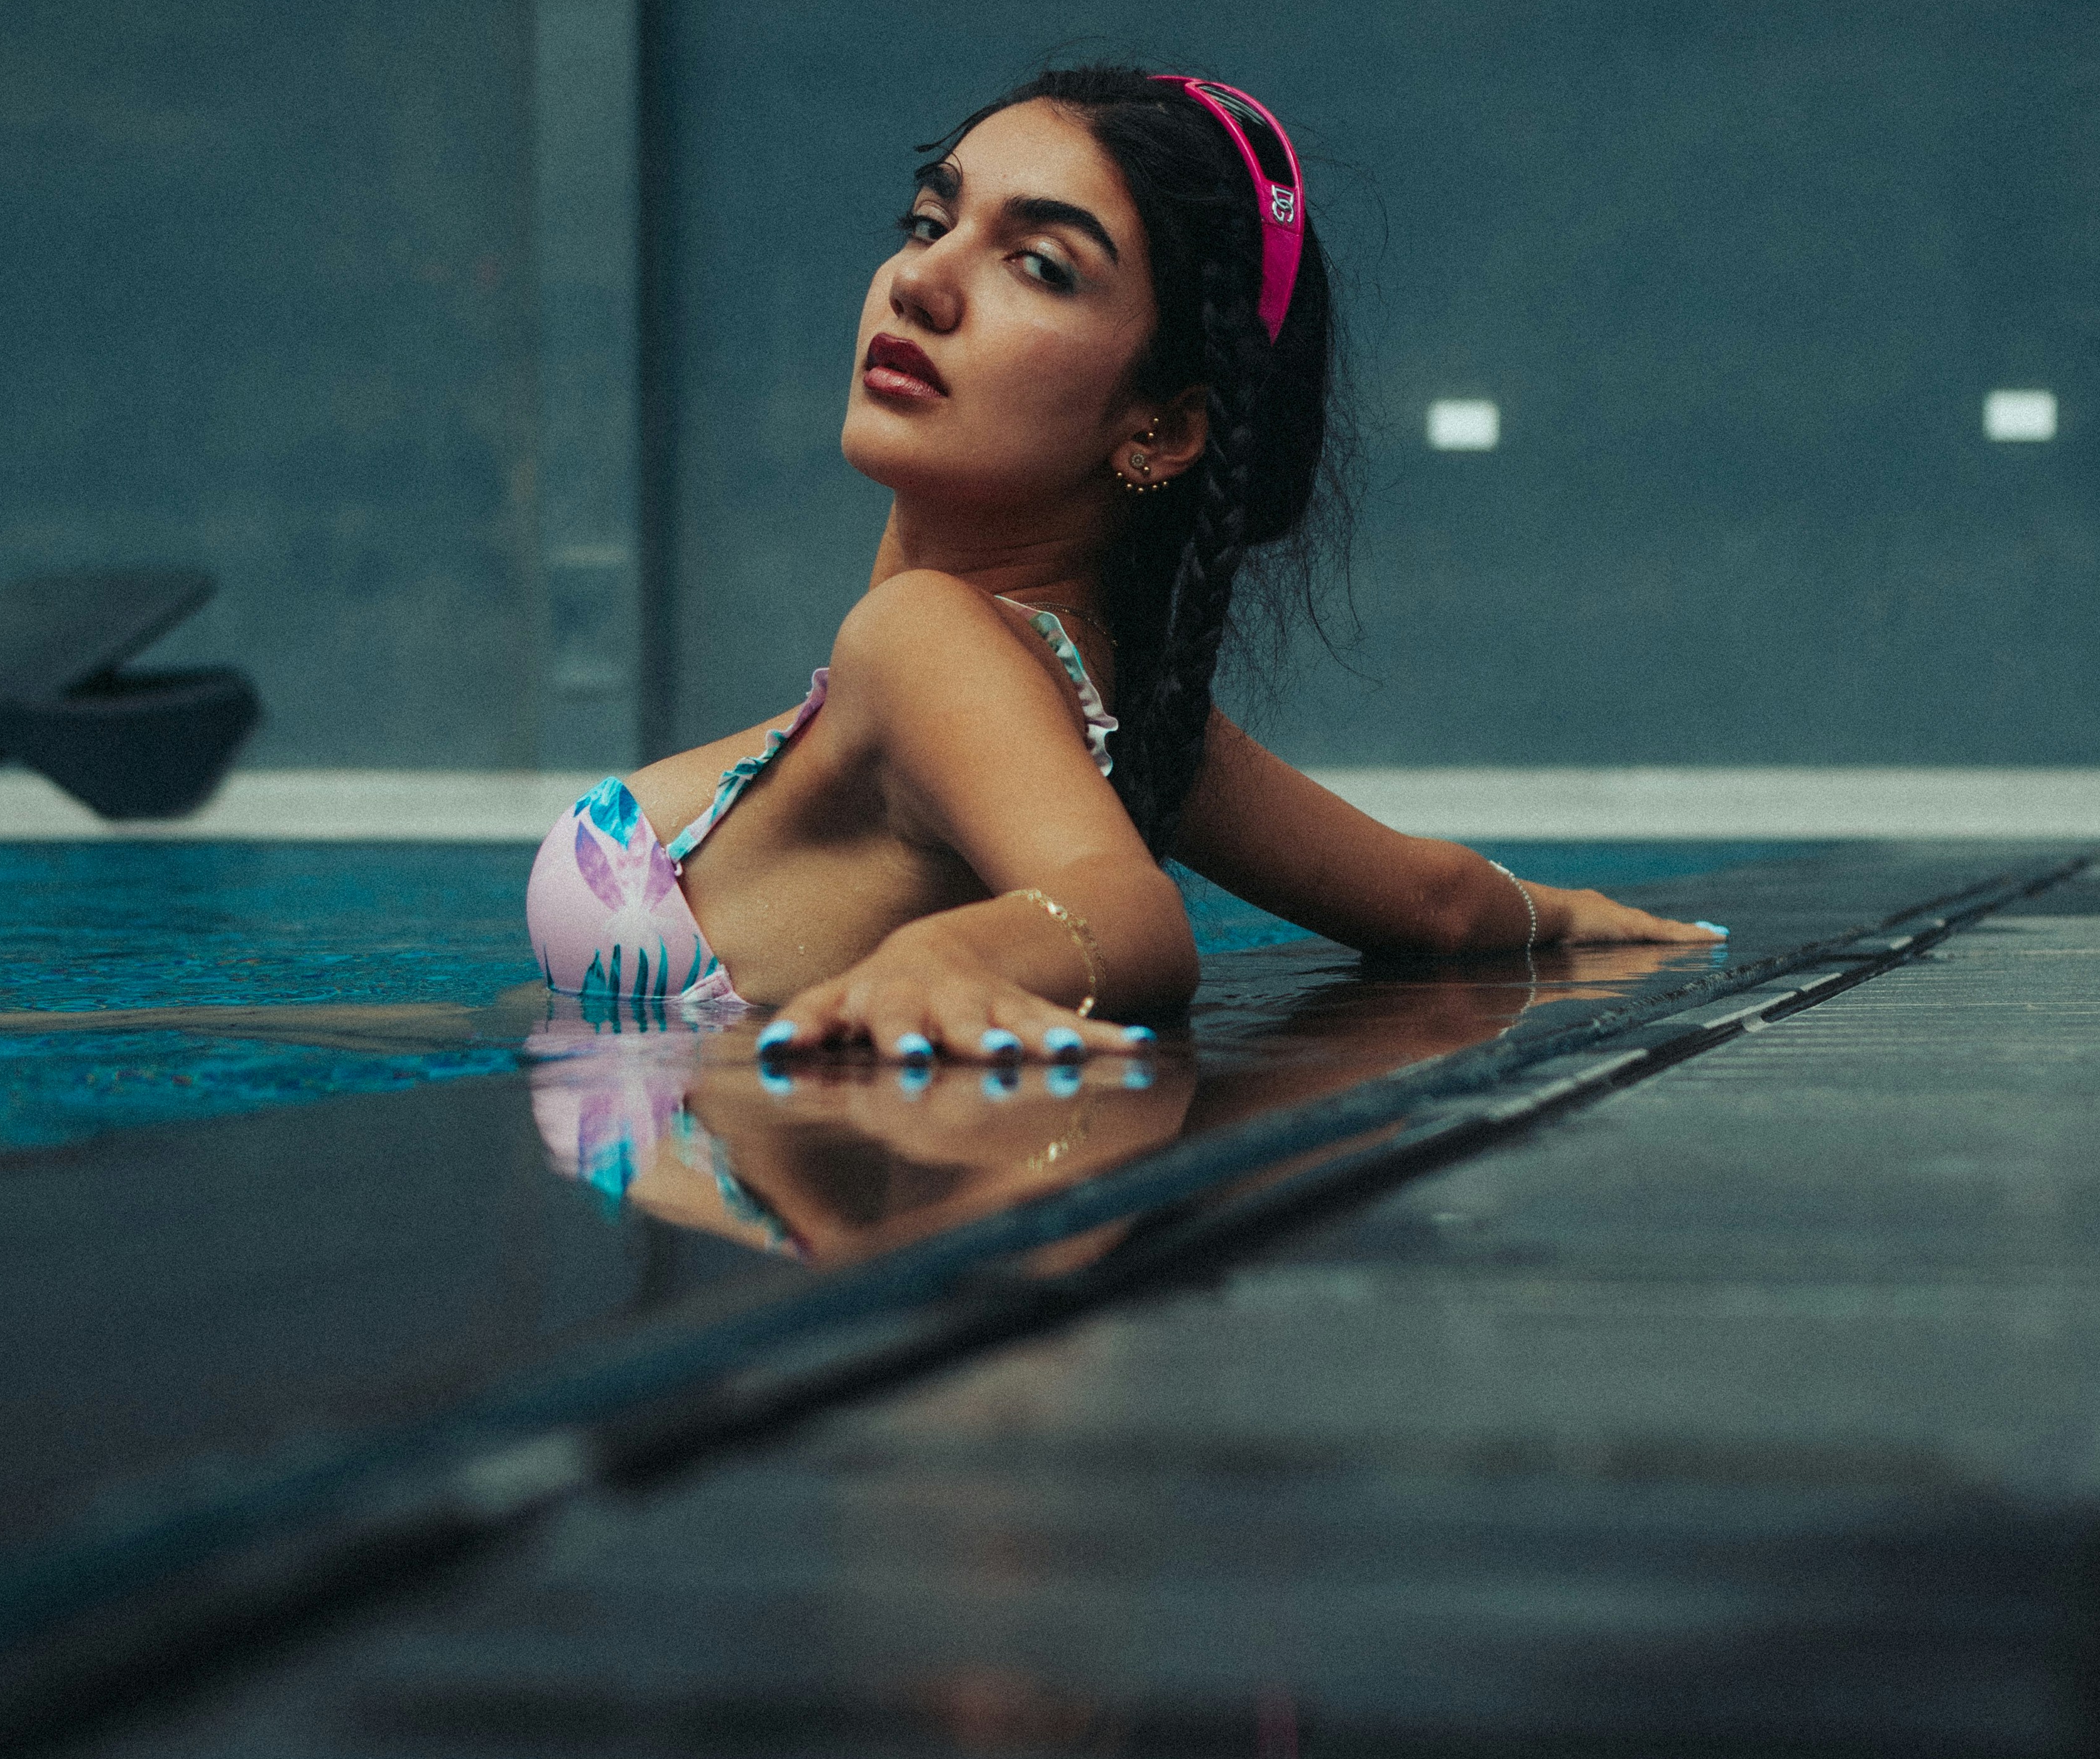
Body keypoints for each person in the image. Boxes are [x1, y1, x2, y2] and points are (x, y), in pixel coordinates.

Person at [526, 65, 1722, 1063]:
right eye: (932, 221)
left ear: (1160, 427)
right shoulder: (1113, 705)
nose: (920, 281)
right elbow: (1430, 903)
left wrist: (947, 959)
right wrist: (1555, 915)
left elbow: (1124, 914)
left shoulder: (926, 634)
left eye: (1038, 264)